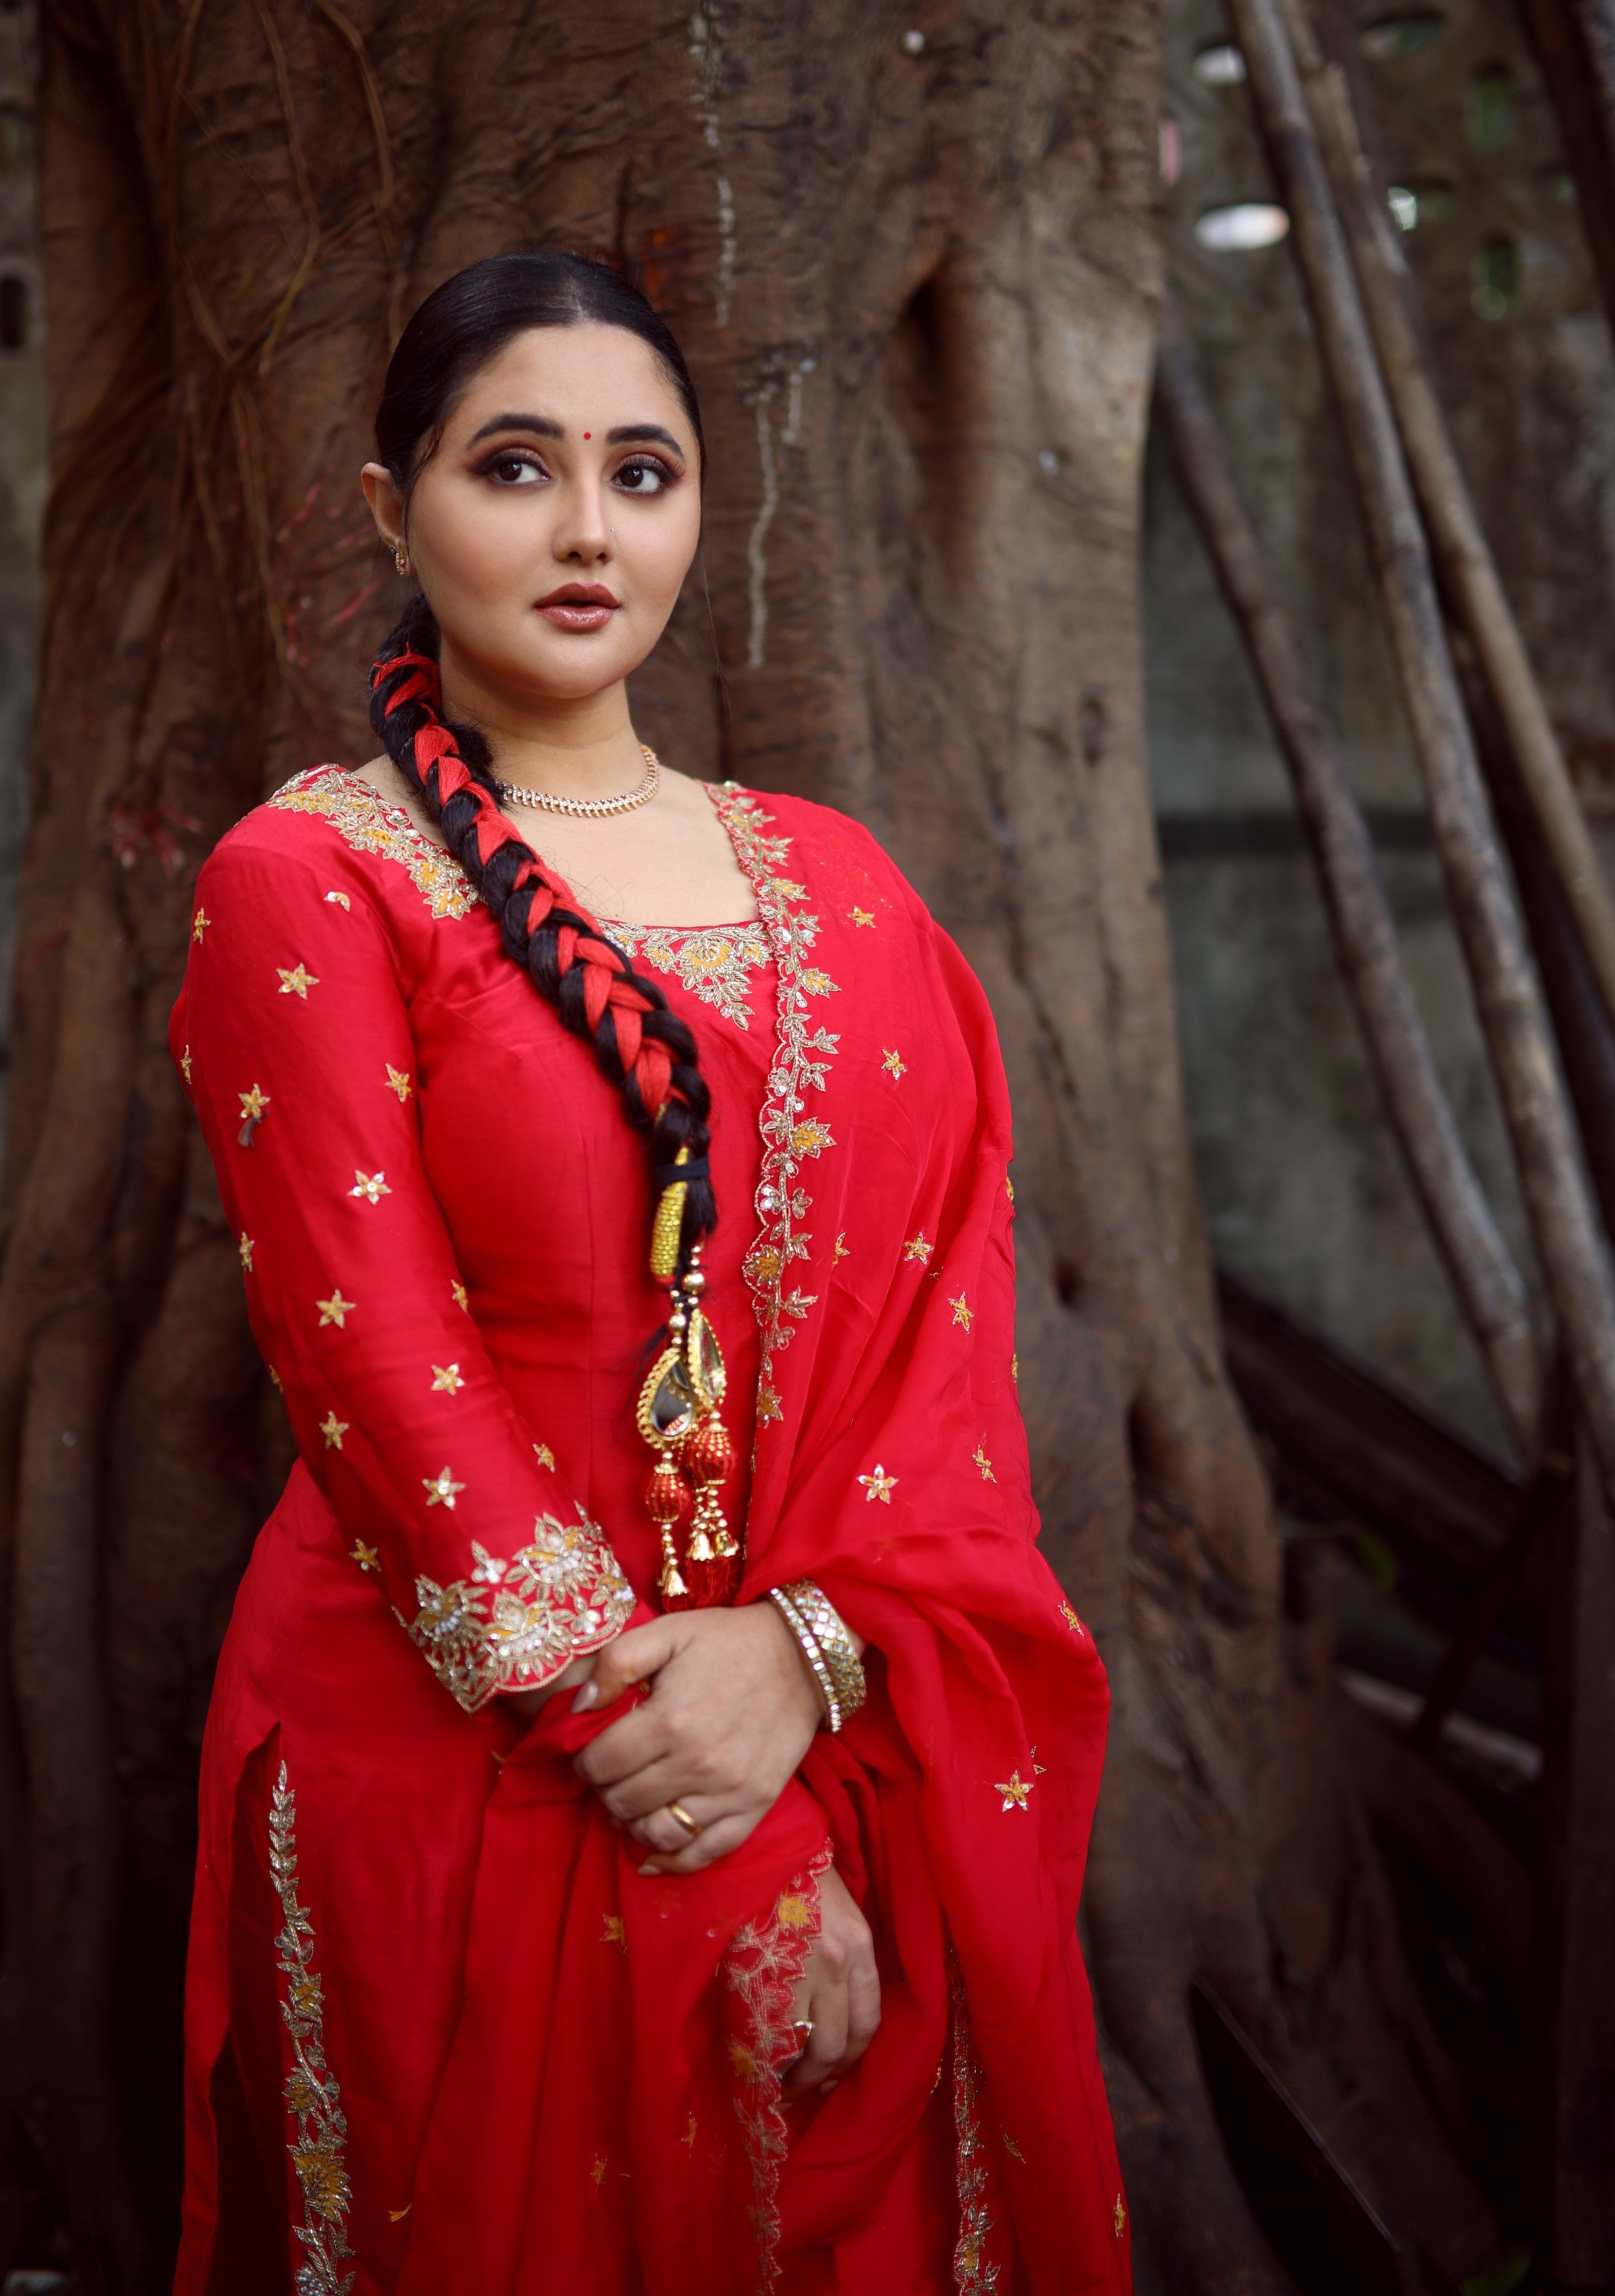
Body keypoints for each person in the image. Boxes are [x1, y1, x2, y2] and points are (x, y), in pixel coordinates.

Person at [170, 251, 1128, 2295]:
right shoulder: (315, 880)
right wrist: (735, 1831)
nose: (590, 529)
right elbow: (388, 1385)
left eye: (644, 471)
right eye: (516, 468)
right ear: (387, 507)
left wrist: (810, 1664)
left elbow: (943, 1380)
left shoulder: (847, 893)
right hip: (471, 1748)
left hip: (819, 1713)